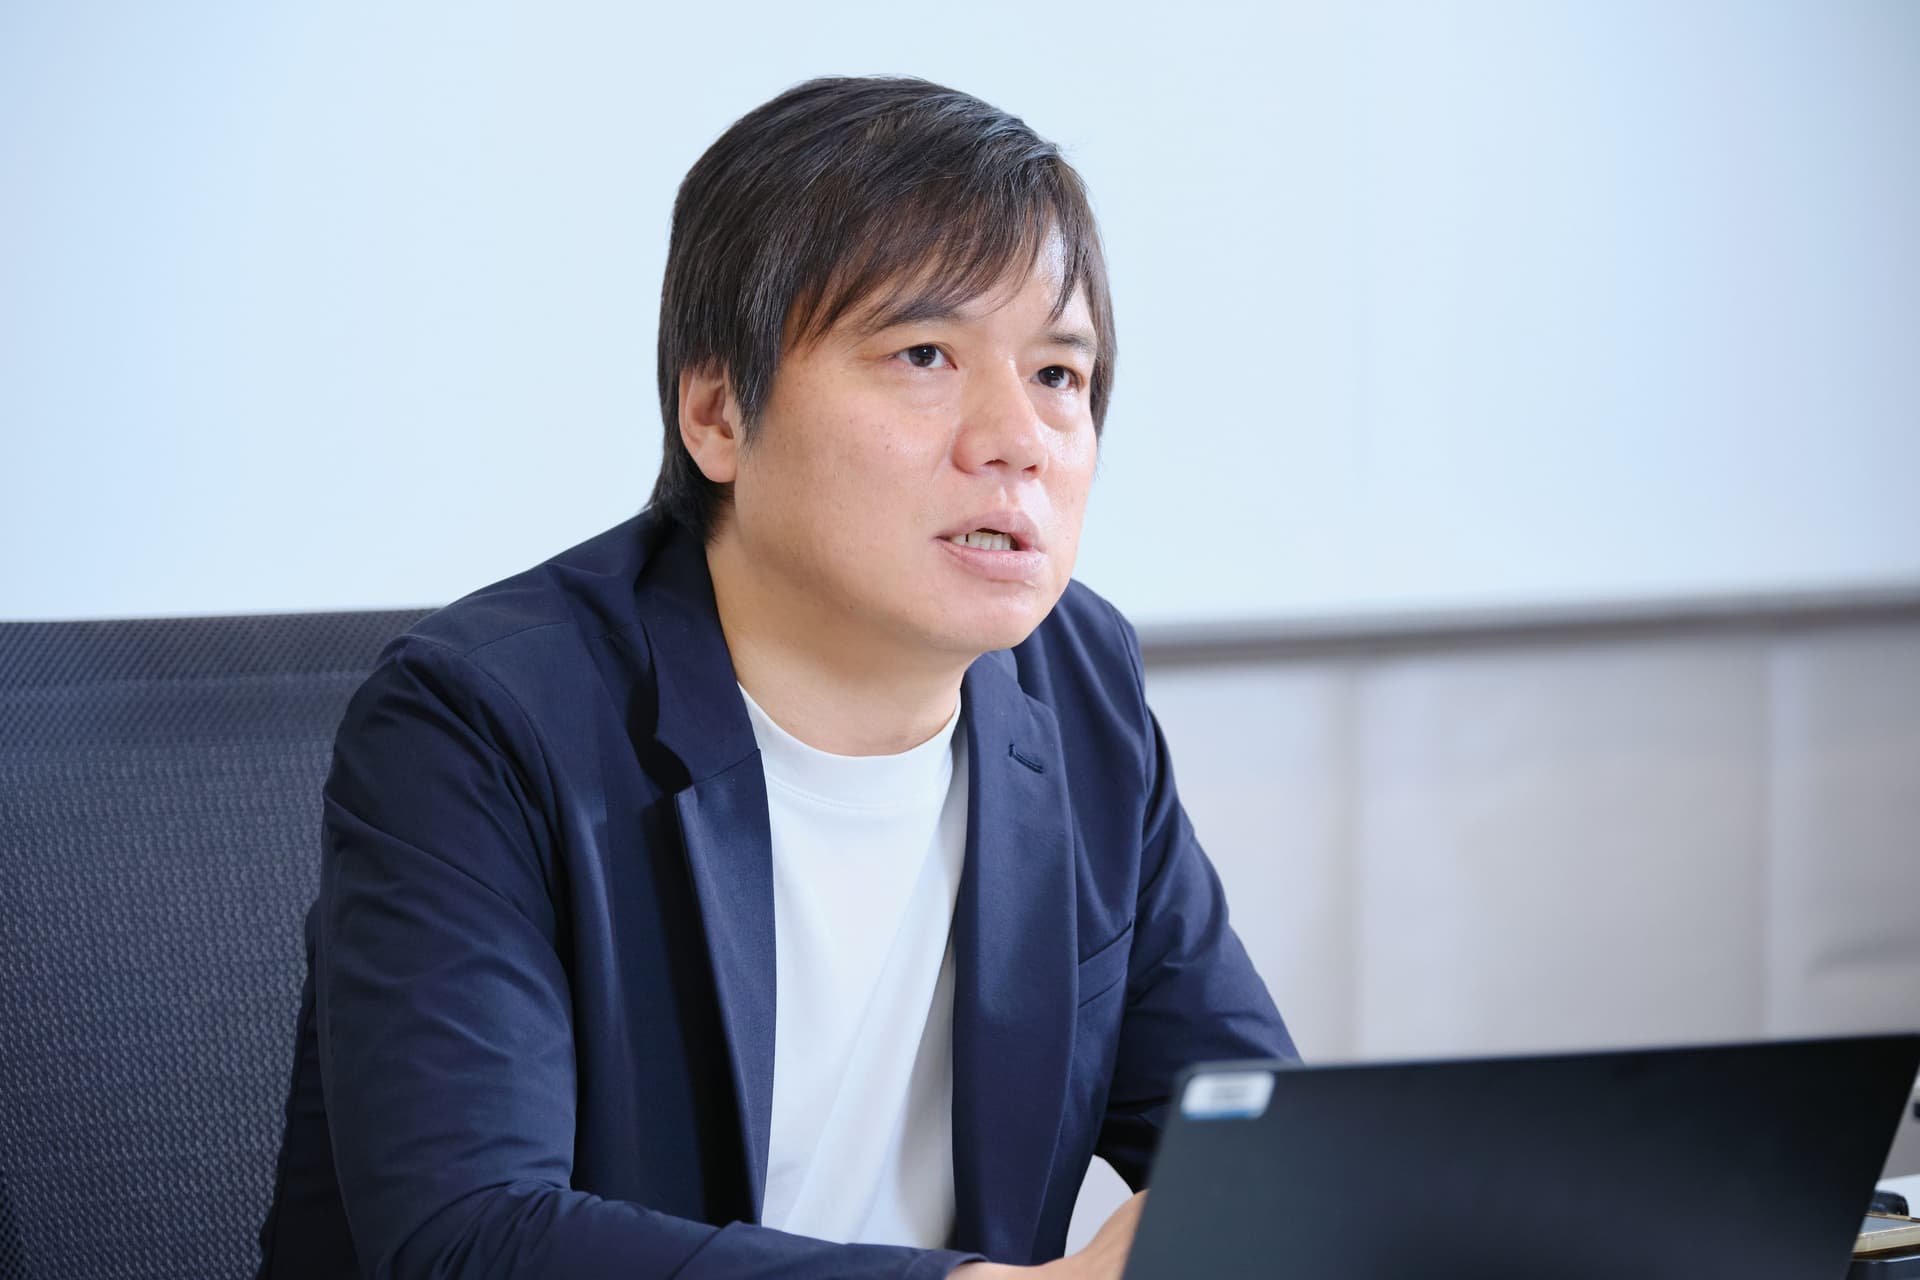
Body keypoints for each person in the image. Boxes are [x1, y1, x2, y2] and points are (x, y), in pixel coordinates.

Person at [257, 75, 1295, 1280]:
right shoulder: (481, 722)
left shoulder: (1074, 682)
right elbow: (471, 1236)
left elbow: (1260, 1141)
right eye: (924, 353)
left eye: (1059, 374)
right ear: (717, 414)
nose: (1017, 438)